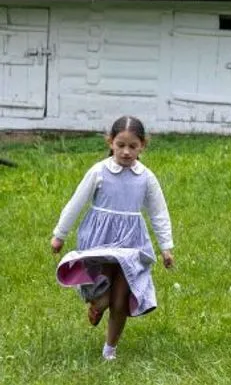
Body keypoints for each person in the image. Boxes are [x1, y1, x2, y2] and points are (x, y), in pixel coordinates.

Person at [51, 116, 175, 361]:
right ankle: (96, 306)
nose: (126, 152)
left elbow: (158, 212)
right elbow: (76, 202)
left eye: (132, 146)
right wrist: (60, 234)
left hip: (131, 244)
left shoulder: (146, 177)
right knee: (105, 297)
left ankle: (110, 350)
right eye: (121, 145)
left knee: (120, 300)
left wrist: (166, 248)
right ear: (110, 142)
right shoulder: (99, 171)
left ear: (143, 145)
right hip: (101, 241)